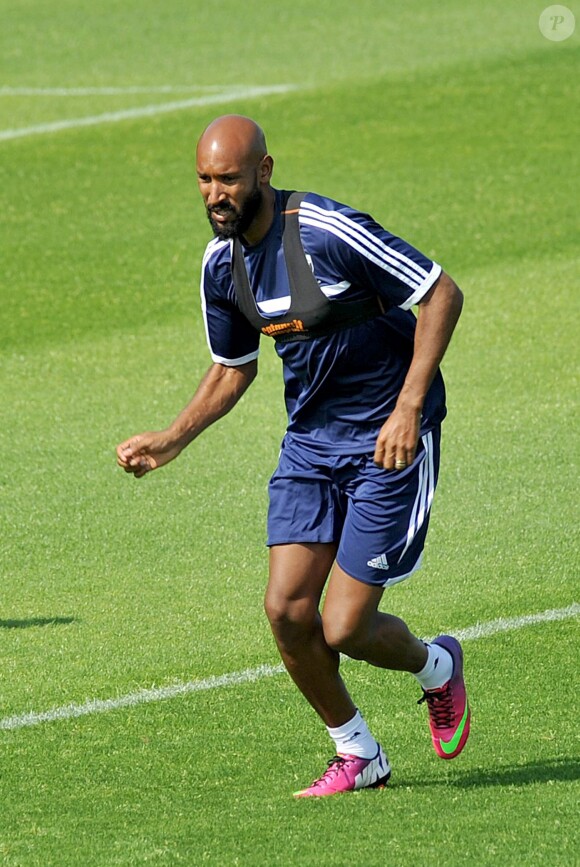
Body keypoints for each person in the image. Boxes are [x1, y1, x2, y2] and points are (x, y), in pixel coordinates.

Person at [117, 114, 469, 798]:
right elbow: (231, 367)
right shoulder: (222, 264)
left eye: (227, 179)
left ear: (264, 173)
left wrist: (407, 406)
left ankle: (436, 668)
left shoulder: (329, 231)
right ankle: (358, 752)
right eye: (203, 180)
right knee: (286, 610)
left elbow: (440, 292)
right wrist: (172, 438)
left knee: (344, 624)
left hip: (386, 442)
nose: (214, 193)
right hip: (311, 445)